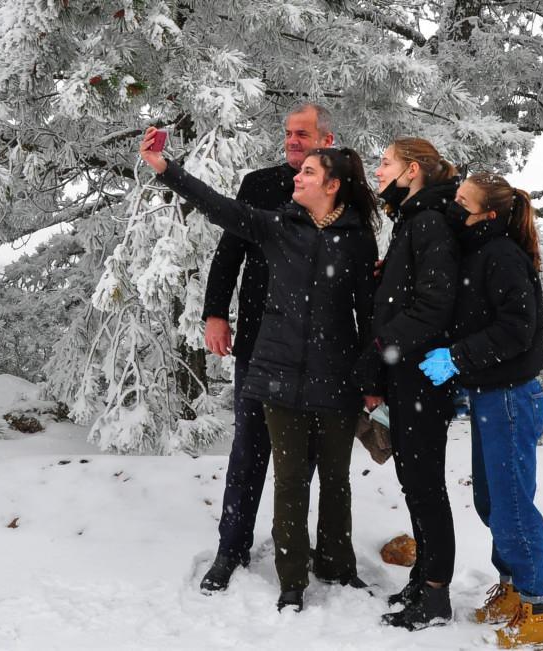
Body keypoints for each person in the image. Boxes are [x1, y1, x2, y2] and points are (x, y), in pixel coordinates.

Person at [139, 132, 383, 613]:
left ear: (332, 185)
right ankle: (291, 581)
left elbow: (368, 313)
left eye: (309, 172)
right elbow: (220, 208)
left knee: (336, 478)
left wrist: (370, 378)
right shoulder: (278, 227)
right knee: (290, 478)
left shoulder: (356, 238)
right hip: (275, 372)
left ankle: (337, 565)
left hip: (335, 377)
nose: (298, 176)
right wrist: (167, 169)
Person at [198, 103, 334, 593]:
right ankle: (229, 549)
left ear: (326, 139)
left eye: (303, 134)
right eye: (289, 134)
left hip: (318, 352)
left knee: (313, 459)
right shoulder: (259, 184)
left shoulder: (342, 191)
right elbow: (228, 251)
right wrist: (216, 313)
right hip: (257, 342)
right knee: (249, 449)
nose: (293, 141)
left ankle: (308, 550)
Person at [419, 173, 543, 649]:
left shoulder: (501, 257)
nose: (454, 209)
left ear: (488, 216)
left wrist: (457, 357)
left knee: (513, 507)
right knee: (493, 504)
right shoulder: (478, 252)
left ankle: (538, 612)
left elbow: (518, 329)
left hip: (512, 397)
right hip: (489, 396)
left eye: (463, 203)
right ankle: (514, 588)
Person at [367, 138, 460, 630]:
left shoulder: (428, 221)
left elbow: (433, 305)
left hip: (423, 376)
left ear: (413, 170)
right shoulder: (414, 218)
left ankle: (437, 595)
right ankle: (423, 577)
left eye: (387, 163)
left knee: (425, 486)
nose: (379, 170)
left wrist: (385, 344)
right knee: (414, 482)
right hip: (411, 373)